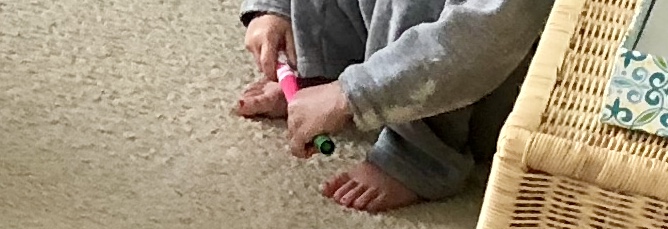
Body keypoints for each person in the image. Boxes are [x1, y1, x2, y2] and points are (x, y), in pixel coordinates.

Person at [235, 0, 552, 210]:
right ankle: (320, 68)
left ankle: (418, 151)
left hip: (491, 81)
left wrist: (352, 94)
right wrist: (275, 8)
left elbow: (486, 37)